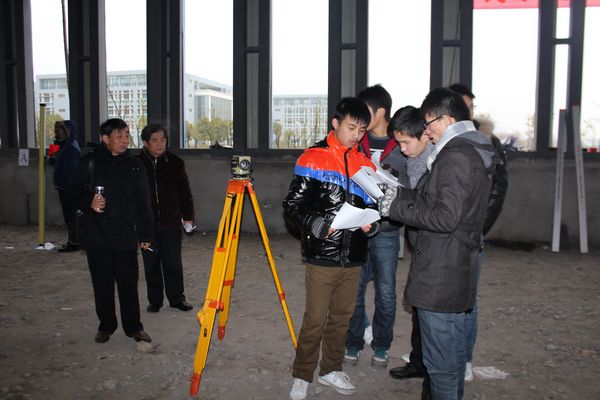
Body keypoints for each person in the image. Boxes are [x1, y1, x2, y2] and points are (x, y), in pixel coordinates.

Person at [385, 87, 498, 400]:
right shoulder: (468, 149)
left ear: (447, 120)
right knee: (451, 357)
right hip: (454, 265)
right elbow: (442, 204)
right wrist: (402, 196)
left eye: (429, 123)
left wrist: (393, 208)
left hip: (442, 271)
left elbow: (445, 217)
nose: (426, 130)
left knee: (441, 366)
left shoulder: (456, 155)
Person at [283, 97, 380, 400]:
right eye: (351, 128)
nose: (356, 135)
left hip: (354, 256)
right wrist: (316, 224)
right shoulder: (313, 158)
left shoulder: (365, 163)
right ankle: (302, 374)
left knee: (342, 318)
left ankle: (330, 369)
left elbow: (372, 207)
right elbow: (293, 205)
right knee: (315, 319)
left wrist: (371, 224)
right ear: (336, 123)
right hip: (322, 255)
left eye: (362, 131)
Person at [67, 118, 154, 344]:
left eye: (127, 135)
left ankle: (133, 327)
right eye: (119, 136)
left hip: (125, 234)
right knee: (102, 284)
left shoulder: (135, 165)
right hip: (96, 235)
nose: (125, 140)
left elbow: (144, 202)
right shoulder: (89, 163)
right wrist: (89, 201)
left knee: (128, 284)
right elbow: (72, 192)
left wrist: (146, 233)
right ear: (105, 139)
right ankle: (106, 325)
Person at [449, 83, 509, 381]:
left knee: (467, 297)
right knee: (438, 295)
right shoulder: (438, 140)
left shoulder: (487, 142)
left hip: (472, 233)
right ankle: (434, 355)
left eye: (470, 107)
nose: (468, 112)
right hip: (443, 232)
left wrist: (478, 226)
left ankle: (465, 360)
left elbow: (498, 188)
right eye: (462, 107)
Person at [344, 85, 405, 369]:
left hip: (388, 231)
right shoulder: (357, 142)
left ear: (380, 112)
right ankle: (354, 342)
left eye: (365, 111)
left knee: (386, 293)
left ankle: (381, 346)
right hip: (358, 226)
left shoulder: (402, 140)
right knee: (353, 290)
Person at [138, 124, 195, 313]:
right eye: (155, 140)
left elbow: (185, 192)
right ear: (145, 143)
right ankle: (155, 300)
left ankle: (177, 298)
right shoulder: (136, 164)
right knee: (151, 264)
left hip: (171, 223)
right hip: (147, 227)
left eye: (162, 139)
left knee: (173, 263)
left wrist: (188, 217)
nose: (160, 143)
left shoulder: (175, 163)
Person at [49, 120, 81, 252]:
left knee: (71, 215)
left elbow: (70, 169)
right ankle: (73, 241)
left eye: (61, 129)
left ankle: (74, 242)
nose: (58, 132)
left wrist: (64, 182)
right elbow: (62, 164)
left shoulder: (70, 147)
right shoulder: (66, 146)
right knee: (70, 215)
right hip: (65, 186)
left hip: (68, 187)